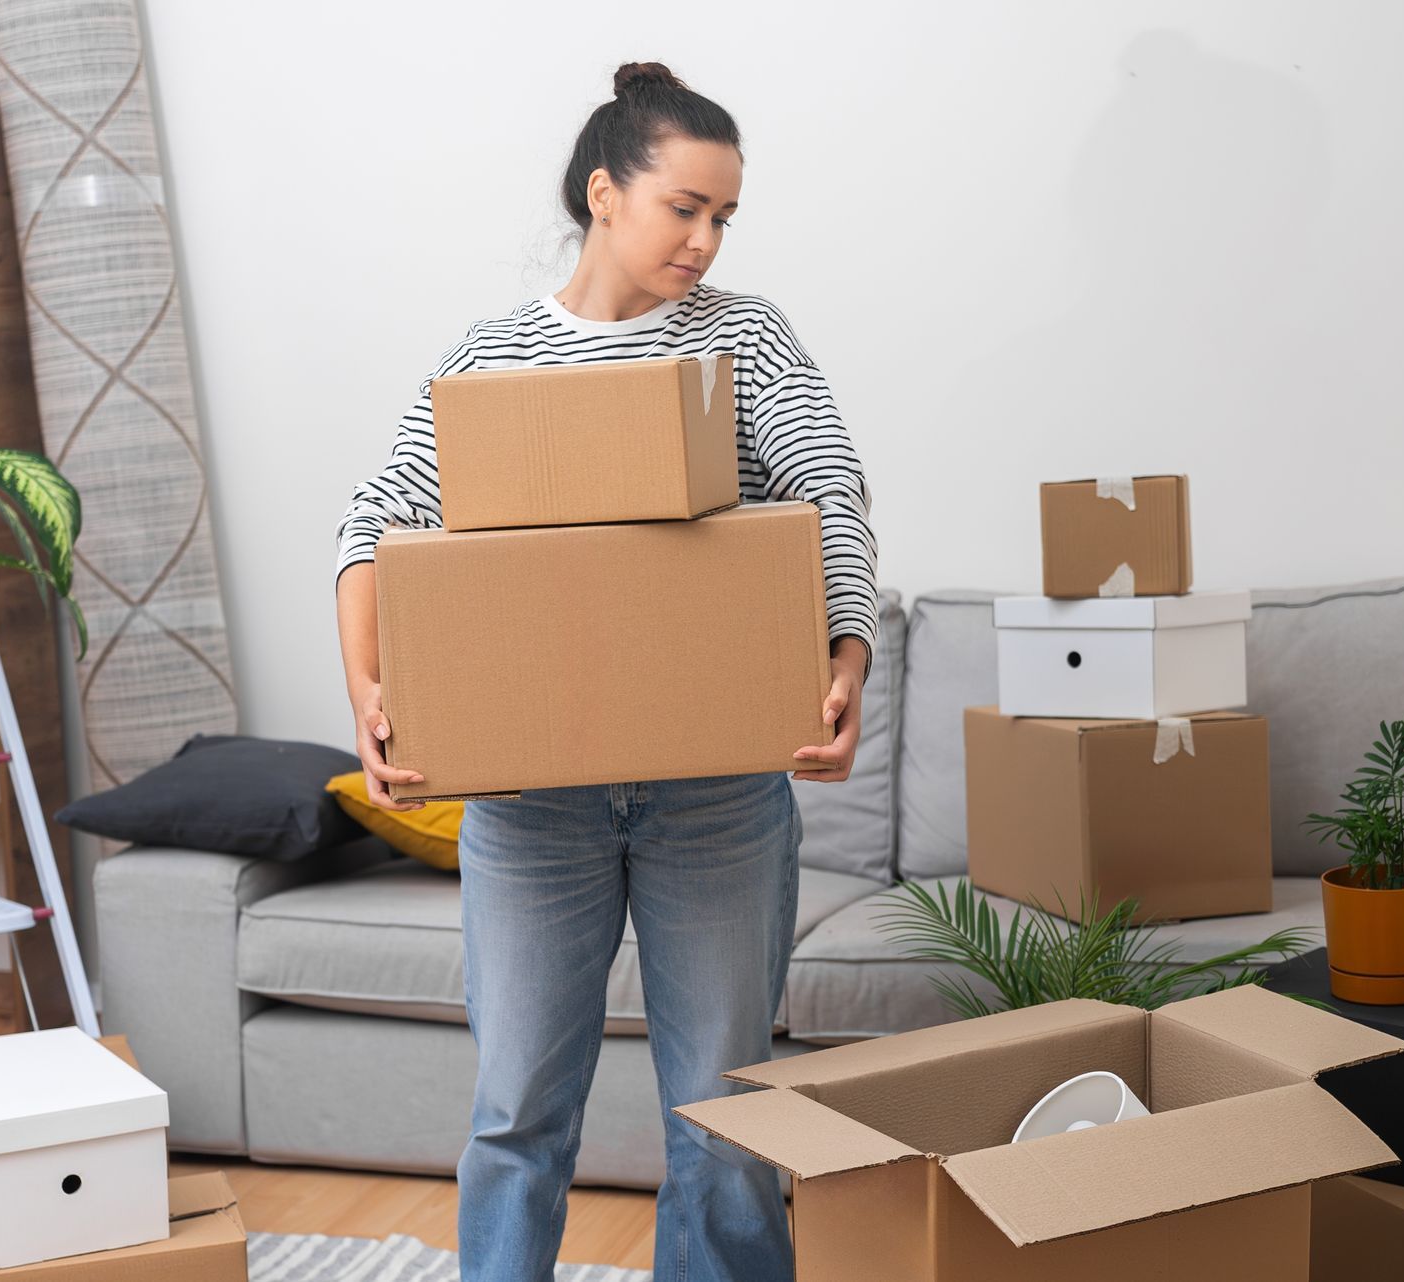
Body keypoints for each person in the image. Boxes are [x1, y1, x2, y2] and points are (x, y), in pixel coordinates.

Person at [332, 60, 878, 1282]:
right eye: (685, 206)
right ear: (603, 194)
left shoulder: (743, 338)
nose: (706, 238)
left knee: (727, 1129)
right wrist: (372, 695)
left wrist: (847, 661)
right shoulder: (495, 358)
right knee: (516, 1117)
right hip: (534, 809)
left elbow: (827, 493)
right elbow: (374, 523)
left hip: (718, 795)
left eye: (724, 215)